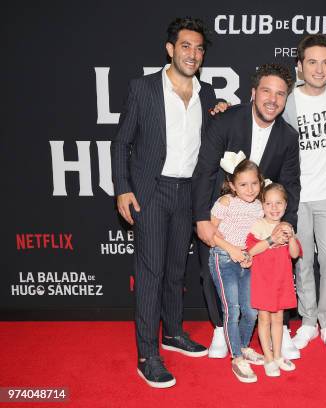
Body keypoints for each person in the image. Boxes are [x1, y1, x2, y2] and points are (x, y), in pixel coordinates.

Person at [111, 17, 215, 388]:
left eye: (199, 48)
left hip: (187, 193)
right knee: (152, 274)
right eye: (186, 46)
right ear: (170, 49)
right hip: (151, 192)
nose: (193, 53)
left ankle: (172, 334)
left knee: (175, 272)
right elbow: (122, 142)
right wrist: (123, 187)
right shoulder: (144, 89)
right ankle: (147, 354)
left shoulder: (206, 95)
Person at [192, 63, 302, 359]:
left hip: (259, 221)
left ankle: (282, 329)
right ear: (254, 92)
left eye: (280, 94)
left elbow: (291, 185)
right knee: (212, 270)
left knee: (270, 273)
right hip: (223, 213)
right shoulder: (226, 121)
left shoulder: (289, 138)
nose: (272, 99)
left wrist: (286, 225)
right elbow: (204, 171)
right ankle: (218, 327)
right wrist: (202, 218)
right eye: (266, 90)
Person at [281, 34, 326, 352]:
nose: (319, 68)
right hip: (297, 197)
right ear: (299, 66)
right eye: (312, 62)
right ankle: (308, 322)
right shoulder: (287, 101)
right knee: (303, 262)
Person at [208, 158, 265, 383]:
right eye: (243, 185)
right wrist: (231, 249)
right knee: (232, 309)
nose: (249, 189)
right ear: (232, 185)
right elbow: (209, 233)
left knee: (251, 311)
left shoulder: (261, 207)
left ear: (260, 183)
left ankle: (243, 346)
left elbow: (257, 236)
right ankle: (236, 357)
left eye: (254, 183)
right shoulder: (225, 202)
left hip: (247, 261)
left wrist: (250, 254)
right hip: (223, 259)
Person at [246, 183, 302, 376]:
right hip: (262, 281)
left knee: (278, 319)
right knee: (264, 319)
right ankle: (268, 357)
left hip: (281, 282)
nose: (274, 208)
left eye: (278, 203)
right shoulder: (257, 226)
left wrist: (291, 237)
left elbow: (295, 254)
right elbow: (250, 251)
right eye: (269, 203)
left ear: (286, 206)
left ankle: (278, 355)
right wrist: (271, 239)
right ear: (262, 206)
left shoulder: (286, 227)